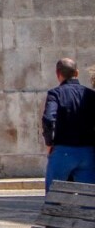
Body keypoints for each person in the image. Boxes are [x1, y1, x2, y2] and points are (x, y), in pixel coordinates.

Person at [44, 57, 94, 189]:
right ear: (77, 73)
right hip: (88, 152)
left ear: (58, 74)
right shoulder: (90, 95)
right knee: (88, 199)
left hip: (63, 150)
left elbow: (49, 118)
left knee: (54, 197)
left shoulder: (55, 94)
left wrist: (49, 142)